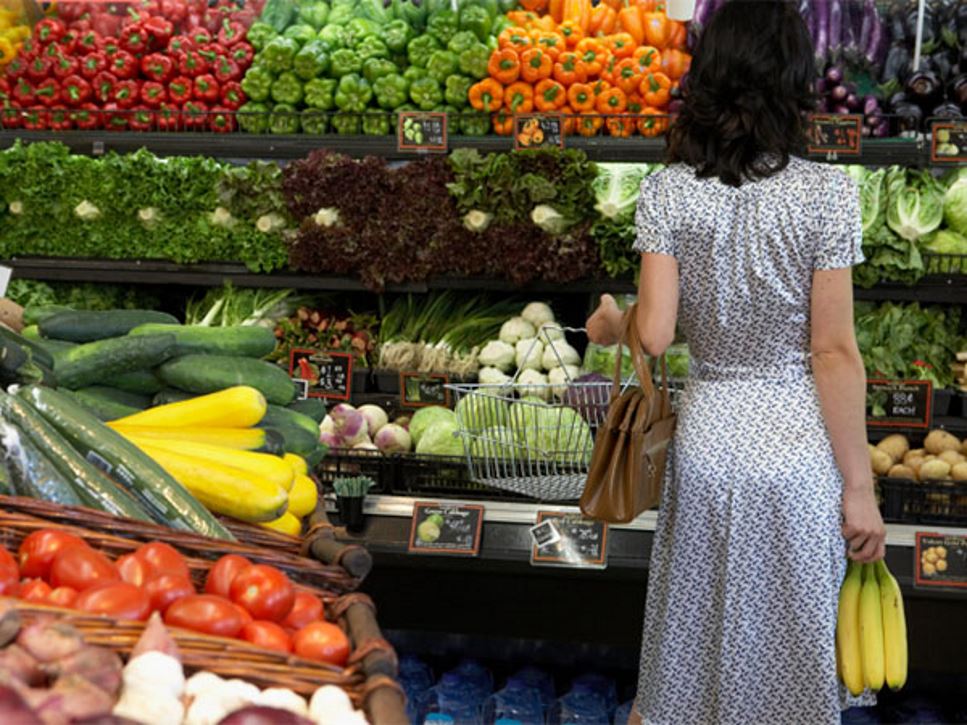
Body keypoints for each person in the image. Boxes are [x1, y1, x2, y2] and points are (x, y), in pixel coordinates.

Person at [585, 2, 886, 723]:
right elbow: (833, 351)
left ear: (708, 76)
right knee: (792, 639)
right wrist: (858, 486)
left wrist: (608, 324)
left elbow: (654, 334)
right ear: (792, 79)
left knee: (696, 632)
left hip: (709, 440)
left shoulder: (666, 191)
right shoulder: (825, 193)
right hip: (794, 445)